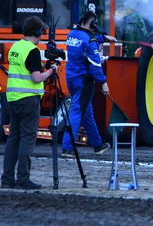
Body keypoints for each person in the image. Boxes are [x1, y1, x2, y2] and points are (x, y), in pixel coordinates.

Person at [2, 16, 58, 189]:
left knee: (13, 138)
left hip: (12, 99)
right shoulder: (32, 50)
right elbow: (36, 78)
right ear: (39, 32)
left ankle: (7, 179)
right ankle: (23, 178)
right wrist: (51, 70)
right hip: (28, 100)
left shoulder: (15, 47)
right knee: (27, 139)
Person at [61, 11, 116, 157]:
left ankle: (97, 144)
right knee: (77, 111)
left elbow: (86, 37)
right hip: (83, 81)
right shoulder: (90, 42)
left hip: (71, 79)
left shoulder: (72, 33)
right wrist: (103, 82)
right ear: (93, 24)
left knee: (87, 112)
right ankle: (67, 147)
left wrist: (104, 38)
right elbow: (95, 66)